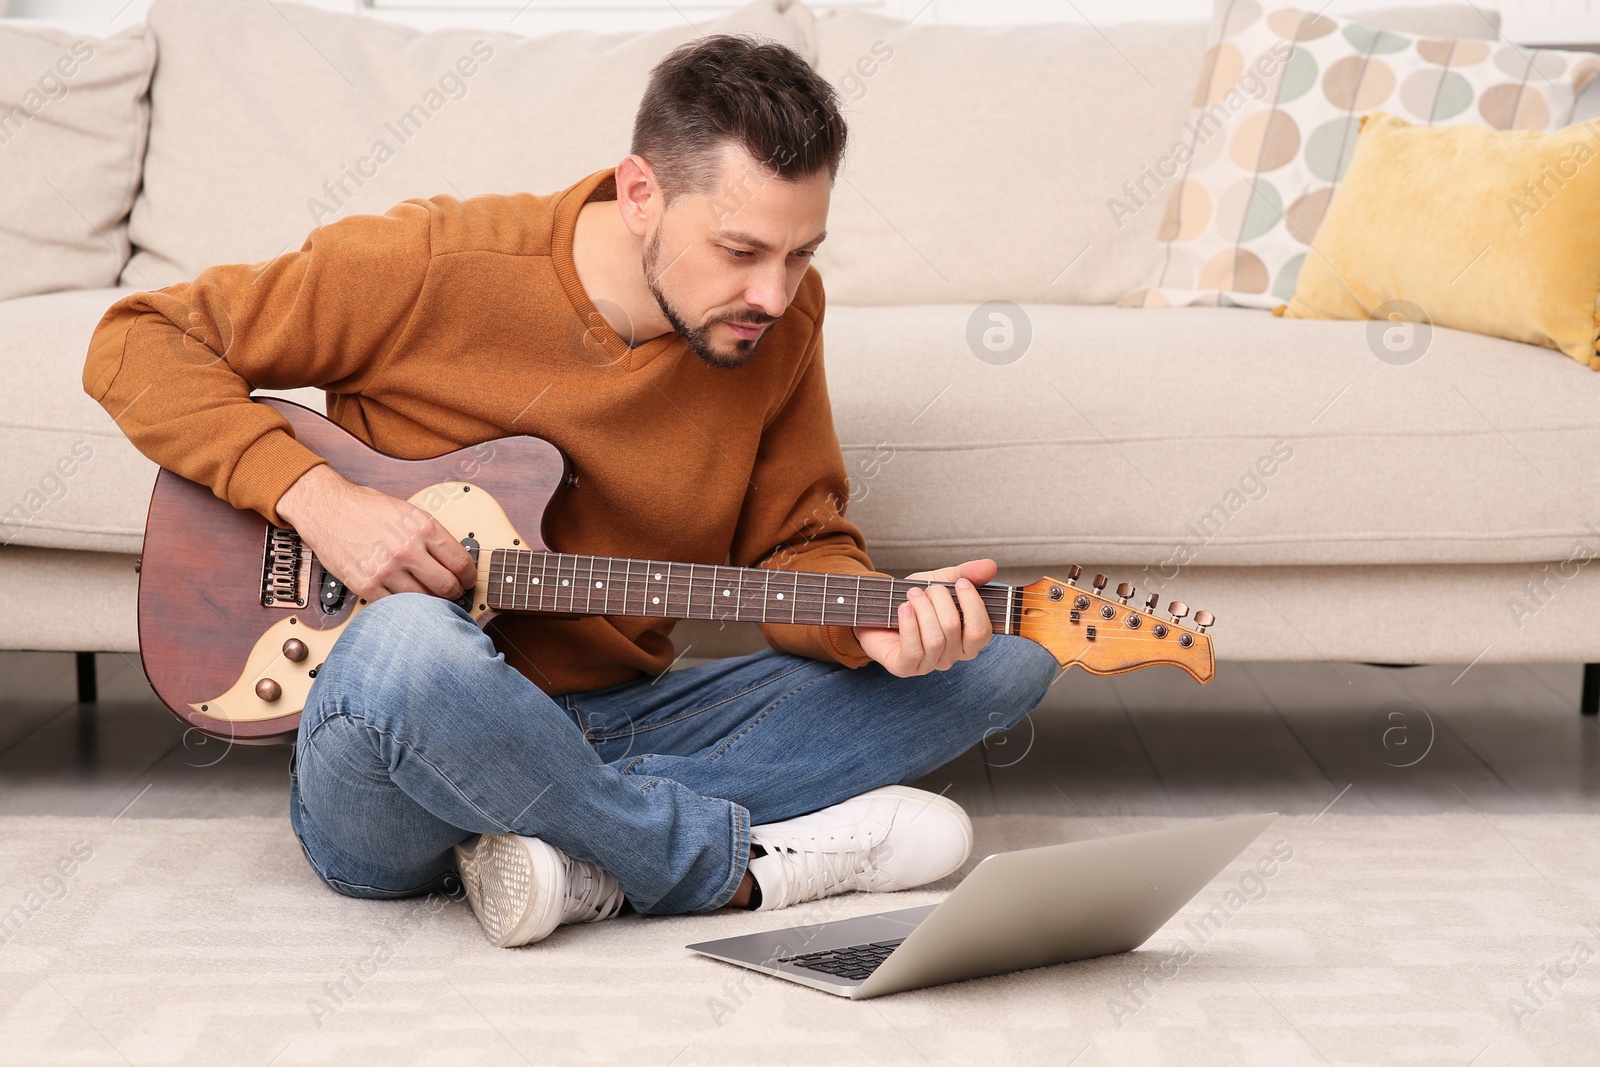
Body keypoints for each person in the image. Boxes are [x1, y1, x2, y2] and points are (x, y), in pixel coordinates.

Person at [83, 35, 1058, 947]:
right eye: (740, 249)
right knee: (413, 647)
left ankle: (572, 843)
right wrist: (315, 496)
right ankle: (711, 864)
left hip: (617, 716)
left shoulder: (779, 321)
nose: (774, 289)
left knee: (1010, 647)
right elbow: (135, 339)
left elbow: (798, 544)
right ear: (640, 193)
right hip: (394, 746)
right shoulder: (431, 263)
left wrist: (873, 623)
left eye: (801, 252)